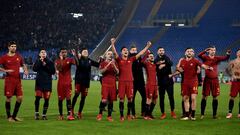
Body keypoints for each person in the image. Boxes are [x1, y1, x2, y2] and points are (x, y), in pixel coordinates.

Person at [111, 38, 152, 121]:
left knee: (130, 99)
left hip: (130, 82)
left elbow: (140, 53)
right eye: (124, 50)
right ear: (121, 52)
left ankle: (129, 115)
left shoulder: (131, 59)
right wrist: (112, 44)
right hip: (122, 82)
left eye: (126, 50)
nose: (125, 51)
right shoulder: (119, 59)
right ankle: (122, 116)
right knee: (122, 99)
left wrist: (147, 47)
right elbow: (114, 53)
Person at [170, 47, 211, 121]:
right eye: (188, 51)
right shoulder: (182, 61)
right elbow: (178, 68)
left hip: (193, 82)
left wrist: (208, 68)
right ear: (185, 53)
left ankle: (193, 115)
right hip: (185, 82)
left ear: (193, 53)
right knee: (185, 98)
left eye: (191, 51)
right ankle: (186, 115)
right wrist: (178, 70)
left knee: (193, 98)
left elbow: (202, 65)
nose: (189, 52)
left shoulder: (195, 61)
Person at [198, 46, 230, 119]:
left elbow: (226, 58)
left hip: (215, 80)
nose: (213, 51)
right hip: (207, 80)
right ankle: (202, 114)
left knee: (215, 97)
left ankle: (214, 115)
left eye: (214, 50)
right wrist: (204, 50)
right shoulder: (205, 57)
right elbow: (199, 55)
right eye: (211, 50)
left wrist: (228, 54)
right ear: (209, 51)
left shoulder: (217, 58)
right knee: (204, 96)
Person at [0, 41, 28, 122]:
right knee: (9, 98)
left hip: (18, 80)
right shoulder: (4, 57)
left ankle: (14, 116)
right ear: (8, 47)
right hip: (9, 80)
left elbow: (23, 64)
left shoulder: (19, 56)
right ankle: (9, 117)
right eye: (12, 46)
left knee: (20, 98)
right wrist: (5, 70)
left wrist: (25, 70)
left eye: (15, 46)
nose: (14, 47)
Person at [71, 47, 99, 119]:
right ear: (81, 53)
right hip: (79, 81)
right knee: (76, 95)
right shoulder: (79, 60)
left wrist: (101, 59)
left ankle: (79, 113)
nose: (86, 52)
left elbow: (98, 65)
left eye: (86, 51)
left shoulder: (89, 61)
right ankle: (71, 110)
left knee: (83, 97)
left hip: (86, 82)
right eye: (84, 51)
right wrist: (75, 55)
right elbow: (77, 64)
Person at [33, 49, 55, 120]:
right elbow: (34, 69)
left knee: (46, 99)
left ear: (46, 54)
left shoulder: (50, 62)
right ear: (39, 54)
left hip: (47, 83)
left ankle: (44, 115)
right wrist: (40, 61)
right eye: (42, 52)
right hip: (39, 83)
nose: (43, 53)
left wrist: (45, 65)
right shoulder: (37, 61)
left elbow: (53, 72)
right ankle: (36, 113)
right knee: (37, 98)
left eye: (44, 52)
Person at [96, 51, 119, 122]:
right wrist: (106, 67)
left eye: (111, 54)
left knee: (111, 100)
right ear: (105, 55)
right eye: (109, 54)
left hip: (113, 83)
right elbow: (101, 72)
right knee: (104, 99)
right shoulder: (103, 63)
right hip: (105, 82)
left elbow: (117, 72)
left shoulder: (114, 63)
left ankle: (109, 116)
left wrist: (114, 65)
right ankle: (100, 114)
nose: (110, 55)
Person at [154, 47, 176, 119]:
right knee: (161, 98)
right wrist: (158, 67)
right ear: (157, 52)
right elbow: (155, 68)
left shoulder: (167, 57)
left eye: (163, 50)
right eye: (160, 50)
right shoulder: (156, 60)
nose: (162, 51)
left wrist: (164, 64)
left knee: (171, 97)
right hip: (161, 82)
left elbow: (171, 63)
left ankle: (172, 111)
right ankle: (163, 113)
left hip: (169, 81)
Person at [55, 48, 75, 120]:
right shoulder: (57, 61)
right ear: (60, 53)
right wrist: (61, 60)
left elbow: (77, 63)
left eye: (65, 52)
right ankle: (60, 115)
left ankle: (69, 114)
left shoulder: (69, 60)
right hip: (60, 84)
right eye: (62, 52)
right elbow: (59, 69)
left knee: (68, 99)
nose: (64, 53)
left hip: (68, 83)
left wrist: (74, 55)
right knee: (60, 99)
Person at [129, 44, 146, 118]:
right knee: (132, 98)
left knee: (145, 96)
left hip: (141, 81)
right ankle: (133, 114)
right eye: (133, 50)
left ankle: (143, 112)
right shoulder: (130, 58)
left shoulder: (139, 58)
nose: (134, 51)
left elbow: (143, 64)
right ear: (130, 51)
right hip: (133, 81)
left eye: (135, 50)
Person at [141, 51, 158, 120]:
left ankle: (149, 113)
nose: (152, 57)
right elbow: (142, 61)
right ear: (148, 58)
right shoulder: (147, 64)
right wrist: (146, 54)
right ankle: (146, 115)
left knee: (155, 100)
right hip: (149, 84)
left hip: (155, 85)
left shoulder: (154, 65)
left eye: (152, 56)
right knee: (149, 99)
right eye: (150, 56)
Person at [225, 49, 240, 119]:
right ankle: (230, 112)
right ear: (237, 53)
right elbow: (227, 70)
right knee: (232, 97)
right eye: (238, 52)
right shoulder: (233, 61)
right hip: (235, 81)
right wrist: (231, 75)